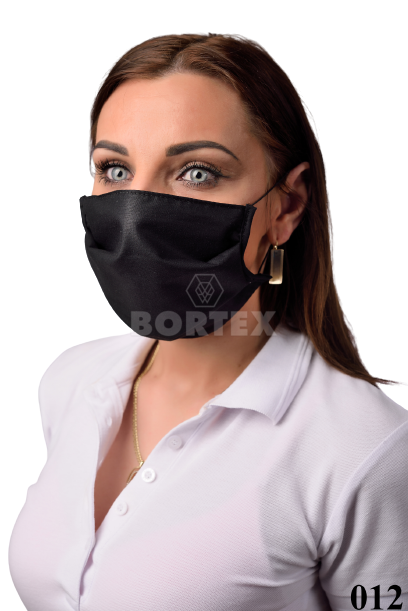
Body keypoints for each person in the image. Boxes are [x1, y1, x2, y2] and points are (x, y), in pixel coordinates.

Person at [8, 33, 408, 611]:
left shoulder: (364, 449)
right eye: (115, 169)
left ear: (287, 206)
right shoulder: (70, 382)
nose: (137, 214)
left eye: (197, 173)